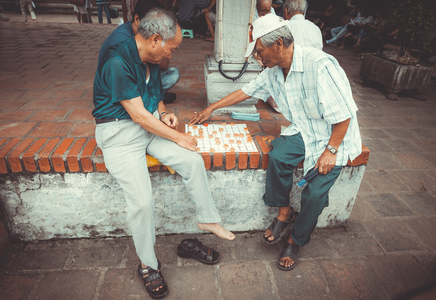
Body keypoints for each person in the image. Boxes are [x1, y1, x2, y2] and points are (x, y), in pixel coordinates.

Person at [189, 13, 362, 271]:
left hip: (336, 137)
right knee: (279, 154)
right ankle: (284, 212)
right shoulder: (274, 70)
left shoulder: (321, 65)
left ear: (279, 44)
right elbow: (245, 91)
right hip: (304, 131)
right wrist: (211, 108)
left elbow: (345, 114)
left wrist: (331, 150)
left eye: (259, 51)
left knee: (314, 193)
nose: (258, 57)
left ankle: (296, 238)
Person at [93, 8, 235, 297]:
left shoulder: (151, 60)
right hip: (119, 134)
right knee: (142, 202)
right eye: (172, 47)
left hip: (148, 126)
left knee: (191, 160)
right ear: (156, 39)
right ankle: (147, 264)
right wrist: (178, 136)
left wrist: (165, 112)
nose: (173, 53)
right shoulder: (117, 59)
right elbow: (137, 116)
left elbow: (153, 100)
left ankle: (208, 218)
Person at [97, 2, 179, 104]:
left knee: (173, 73)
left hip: (138, 78)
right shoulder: (121, 39)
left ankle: (152, 97)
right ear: (137, 20)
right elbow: (125, 74)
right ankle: (147, 98)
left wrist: (164, 46)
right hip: (119, 85)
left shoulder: (151, 39)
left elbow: (164, 66)